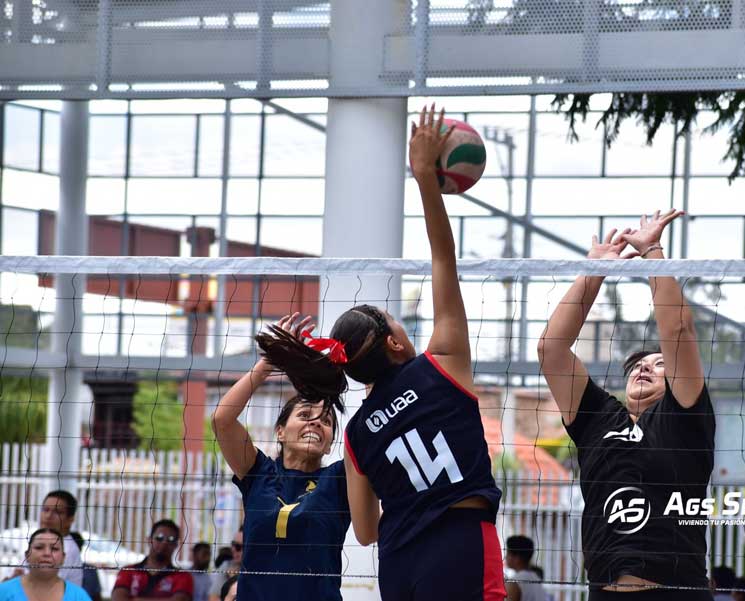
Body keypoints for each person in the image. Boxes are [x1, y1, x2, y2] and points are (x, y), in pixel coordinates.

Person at [259, 106, 504, 601]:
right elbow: (443, 259)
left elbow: (366, 532)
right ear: (395, 343)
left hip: (399, 558)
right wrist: (424, 181)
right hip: (460, 543)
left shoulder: (355, 434)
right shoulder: (441, 367)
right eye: (398, 321)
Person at [537, 210, 715, 600]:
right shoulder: (599, 418)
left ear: (674, 381)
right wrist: (594, 271)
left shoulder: (684, 417)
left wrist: (652, 250)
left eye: (658, 364)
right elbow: (551, 349)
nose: (644, 369)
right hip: (604, 591)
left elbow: (678, 328)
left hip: (674, 591)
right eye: (637, 366)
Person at [212, 313, 352, 601]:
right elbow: (222, 419)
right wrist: (268, 362)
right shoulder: (258, 473)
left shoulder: (339, 479)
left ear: (329, 445)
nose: (315, 423)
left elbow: (371, 438)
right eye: (304, 415)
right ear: (280, 431)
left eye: (326, 421)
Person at [111, 519, 192, 601]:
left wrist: (135, 599)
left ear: (176, 545)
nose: (164, 543)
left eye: (170, 540)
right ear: (149, 540)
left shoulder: (183, 576)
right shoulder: (128, 571)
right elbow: (118, 598)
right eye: (159, 538)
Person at [0, 529, 92, 601]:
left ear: (63, 558)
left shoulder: (78, 596)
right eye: (39, 547)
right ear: (27, 555)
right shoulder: (4, 592)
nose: (47, 553)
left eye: (54, 549)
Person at [38, 490, 83, 588]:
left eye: (57, 512)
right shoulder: (35, 541)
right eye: (46, 510)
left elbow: (45, 586)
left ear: (70, 519)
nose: (48, 516)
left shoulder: (68, 549)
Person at [505, 535, 548, 601]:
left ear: (517, 558)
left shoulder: (514, 582)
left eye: (508, 553)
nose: (506, 557)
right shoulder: (536, 577)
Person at [208, 530, 241, 600]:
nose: (233, 549)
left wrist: (234, 579)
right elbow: (213, 598)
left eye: (238, 546)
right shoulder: (227, 565)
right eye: (233, 544)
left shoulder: (261, 569)